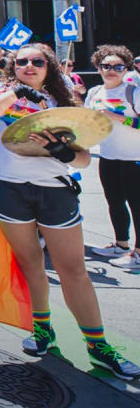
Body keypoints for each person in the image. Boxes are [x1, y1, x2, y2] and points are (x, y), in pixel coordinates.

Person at [0, 43, 138, 379]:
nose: (29, 66)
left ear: (49, 67)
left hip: (55, 192)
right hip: (7, 190)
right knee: (31, 262)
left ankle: (98, 344)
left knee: (73, 270)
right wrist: (16, 93)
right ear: (12, 66)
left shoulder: (61, 103)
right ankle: (42, 328)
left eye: (37, 62)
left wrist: (63, 152)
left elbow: (82, 160)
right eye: (22, 62)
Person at [84, 45, 140, 269]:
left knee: (136, 205)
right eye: (105, 66)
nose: (111, 70)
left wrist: (118, 118)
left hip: (133, 157)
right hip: (107, 155)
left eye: (118, 66)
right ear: (98, 68)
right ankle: (121, 244)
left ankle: (138, 252)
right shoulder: (95, 93)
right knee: (114, 201)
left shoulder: (133, 91)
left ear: (126, 69)